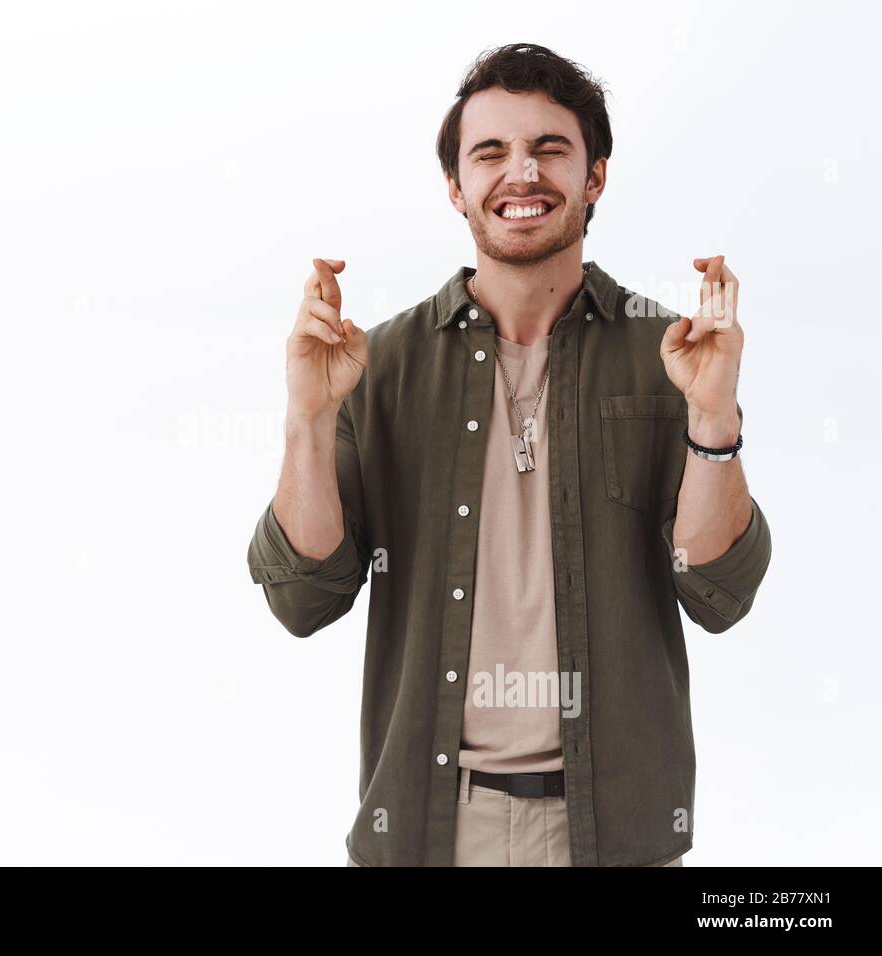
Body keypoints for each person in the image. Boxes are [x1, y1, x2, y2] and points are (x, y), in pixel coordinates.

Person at [246, 43, 772, 867]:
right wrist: (309, 421)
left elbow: (719, 592)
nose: (520, 174)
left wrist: (711, 418)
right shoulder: (377, 366)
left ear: (595, 176)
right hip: (430, 829)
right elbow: (302, 598)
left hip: (617, 834)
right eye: (489, 153)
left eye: (549, 149)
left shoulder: (667, 353)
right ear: (456, 187)